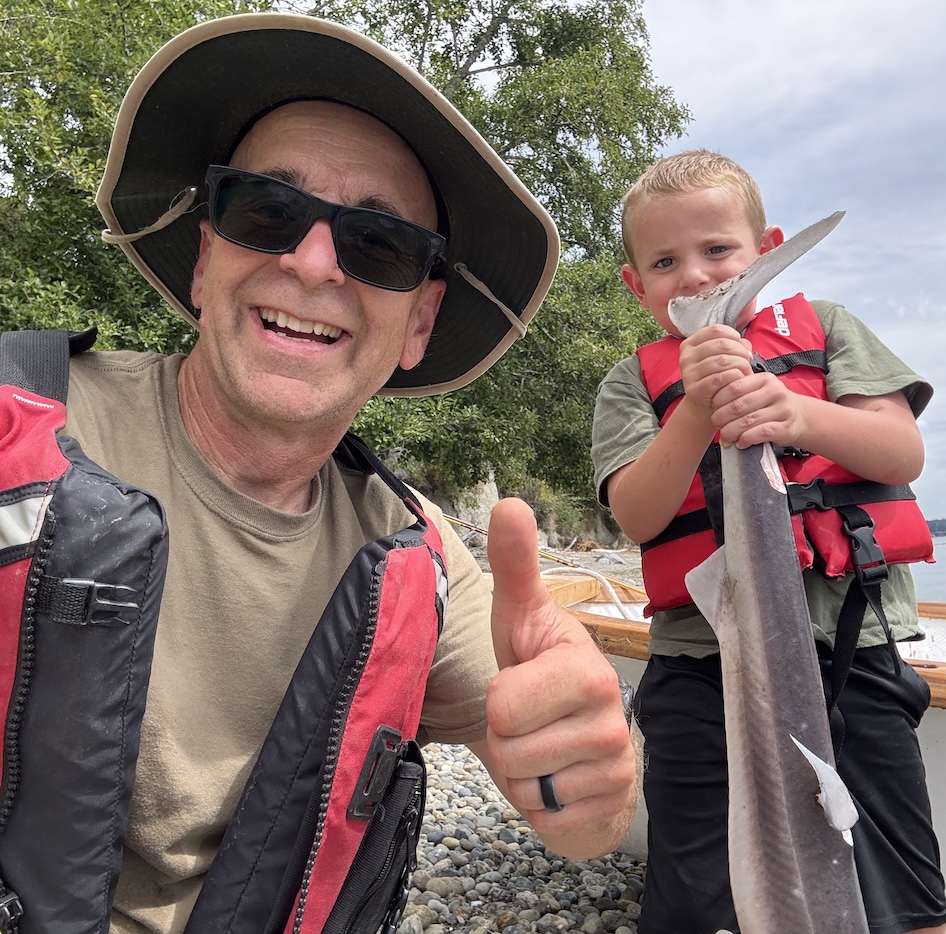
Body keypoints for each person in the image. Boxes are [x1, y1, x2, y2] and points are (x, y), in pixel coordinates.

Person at [3, 13, 637, 934]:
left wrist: (592, 776)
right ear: (205, 257)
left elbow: (588, 819)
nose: (311, 263)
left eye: (378, 243)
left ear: (420, 324)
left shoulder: (416, 554)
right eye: (266, 210)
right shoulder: (23, 428)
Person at [591, 150, 946, 934]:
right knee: (694, 890)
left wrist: (795, 413)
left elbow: (901, 453)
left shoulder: (828, 328)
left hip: (850, 649)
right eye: (665, 262)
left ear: (767, 248)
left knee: (906, 887)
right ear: (636, 285)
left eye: (719, 250)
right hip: (700, 663)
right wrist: (696, 409)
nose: (696, 277)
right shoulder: (630, 382)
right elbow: (640, 516)